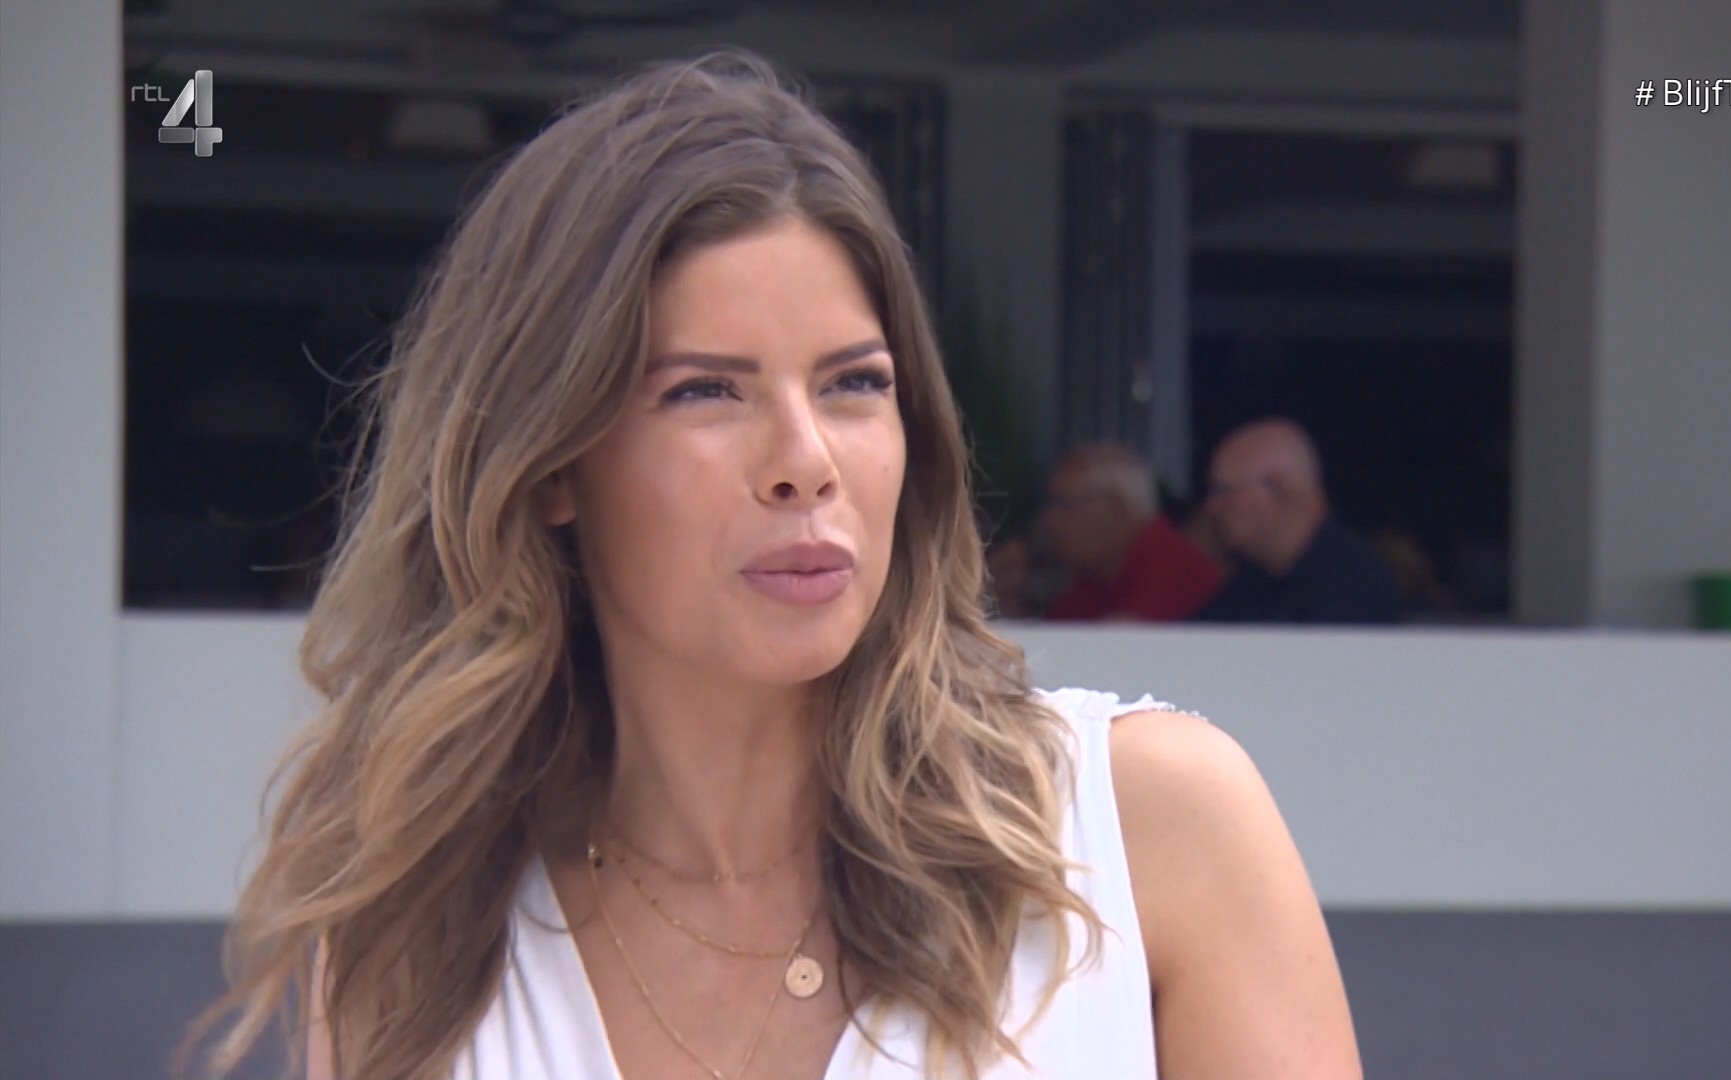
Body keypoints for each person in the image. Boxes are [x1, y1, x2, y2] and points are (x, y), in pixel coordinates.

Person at [184, 53, 1361, 1080]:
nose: (806, 462)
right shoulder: (420, 939)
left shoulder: (1145, 832)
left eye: (854, 384)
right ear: (549, 465)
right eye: (707, 390)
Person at [1192, 419, 1400, 625]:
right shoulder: (1251, 584)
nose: (1211, 507)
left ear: (1277, 488)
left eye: (1224, 491)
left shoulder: (1355, 581)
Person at [1038, 443, 1225, 622]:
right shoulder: (1094, 578)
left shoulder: (1173, 572)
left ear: (1116, 509)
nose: (1050, 519)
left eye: (1065, 505)